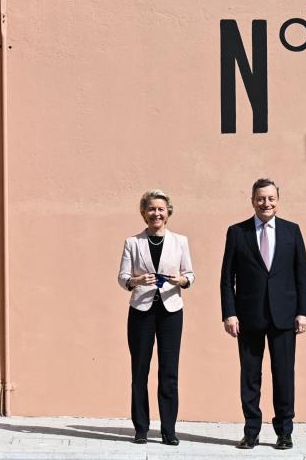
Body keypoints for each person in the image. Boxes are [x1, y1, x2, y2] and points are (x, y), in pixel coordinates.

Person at [220, 178, 306, 450]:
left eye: (271, 198)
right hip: (248, 318)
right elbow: (227, 278)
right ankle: (251, 431)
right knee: (250, 377)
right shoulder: (237, 232)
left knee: (284, 375)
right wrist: (229, 313)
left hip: (284, 316)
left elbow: (301, 275)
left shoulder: (291, 231)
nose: (266, 203)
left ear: (278, 200)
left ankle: (285, 432)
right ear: (252, 200)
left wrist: (303, 312)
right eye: (261, 198)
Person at [118, 189, 195, 445]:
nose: (156, 213)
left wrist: (182, 280)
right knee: (140, 371)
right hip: (140, 311)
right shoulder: (133, 242)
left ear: (168, 212)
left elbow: (190, 274)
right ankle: (141, 428)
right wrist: (136, 280)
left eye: (161, 209)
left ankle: (169, 430)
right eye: (151, 209)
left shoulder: (180, 241)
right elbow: (123, 277)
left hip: (171, 311)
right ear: (144, 213)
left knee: (169, 372)